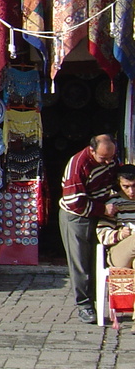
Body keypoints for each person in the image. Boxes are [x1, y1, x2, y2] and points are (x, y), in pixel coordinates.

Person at [59, 133, 118, 323]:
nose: (108, 161)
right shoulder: (78, 164)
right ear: (92, 150)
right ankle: (84, 305)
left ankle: (100, 301)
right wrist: (103, 209)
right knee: (81, 263)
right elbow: (74, 201)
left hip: (101, 213)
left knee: (98, 259)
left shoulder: (110, 159)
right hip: (78, 216)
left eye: (111, 157)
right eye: (103, 158)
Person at [97, 163, 135, 269]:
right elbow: (102, 234)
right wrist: (120, 234)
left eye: (134, 186)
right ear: (119, 184)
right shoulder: (114, 203)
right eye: (126, 187)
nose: (131, 191)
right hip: (119, 252)